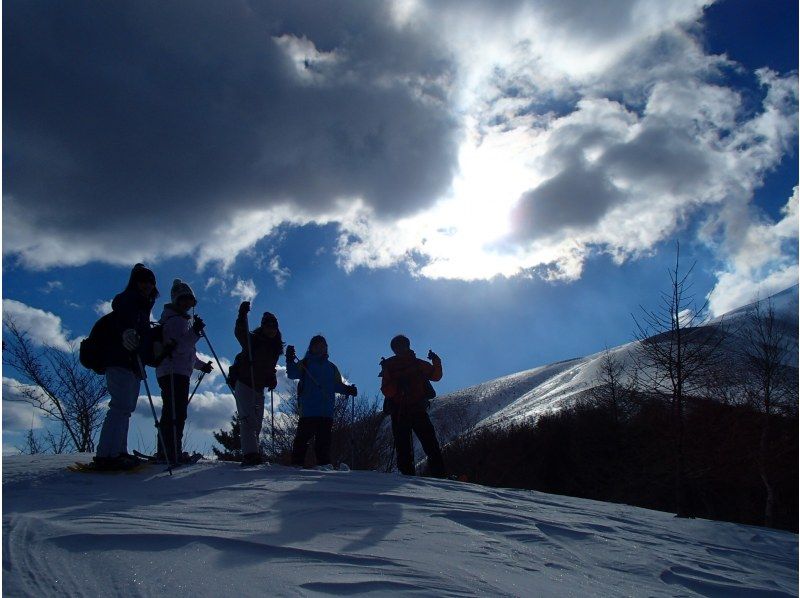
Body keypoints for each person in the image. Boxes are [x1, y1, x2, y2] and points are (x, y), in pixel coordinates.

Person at [94, 263, 159, 470]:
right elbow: (122, 320)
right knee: (120, 406)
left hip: (133, 362)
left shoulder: (144, 306)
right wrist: (127, 333)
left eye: (150, 282)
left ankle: (118, 450)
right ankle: (107, 453)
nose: (147, 285)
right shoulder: (128, 300)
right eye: (143, 281)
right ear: (135, 282)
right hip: (120, 359)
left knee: (126, 408)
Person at [155, 279, 213, 463]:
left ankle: (169, 449)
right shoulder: (175, 321)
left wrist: (202, 365)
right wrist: (195, 332)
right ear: (176, 300)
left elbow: (187, 353)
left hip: (175, 370)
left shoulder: (179, 320)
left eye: (189, 301)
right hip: (172, 371)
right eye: (183, 300)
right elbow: (179, 347)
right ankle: (170, 451)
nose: (187, 304)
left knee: (175, 411)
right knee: (175, 412)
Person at [286, 335, 357, 470]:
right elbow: (292, 374)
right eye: (317, 345)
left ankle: (324, 465)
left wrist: (348, 389)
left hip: (325, 411)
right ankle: (297, 464)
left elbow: (336, 385)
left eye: (323, 345)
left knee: (323, 441)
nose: (320, 348)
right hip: (309, 410)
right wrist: (289, 359)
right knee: (303, 439)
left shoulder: (331, 367)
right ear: (311, 347)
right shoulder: (305, 363)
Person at [380, 335, 446, 478]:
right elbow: (436, 376)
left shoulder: (389, 366)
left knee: (404, 446)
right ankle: (440, 475)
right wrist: (436, 360)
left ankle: (406, 476)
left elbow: (387, 391)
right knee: (429, 443)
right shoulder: (416, 363)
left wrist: (396, 382)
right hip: (416, 409)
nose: (400, 349)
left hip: (400, 411)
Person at [233, 301, 284, 466]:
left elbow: (270, 368)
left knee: (257, 422)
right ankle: (250, 454)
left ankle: (253, 451)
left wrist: (272, 377)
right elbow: (240, 333)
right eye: (268, 327)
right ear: (263, 327)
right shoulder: (253, 340)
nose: (271, 330)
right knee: (248, 419)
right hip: (245, 383)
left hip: (258, 386)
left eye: (273, 327)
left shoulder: (275, 347)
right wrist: (242, 315)